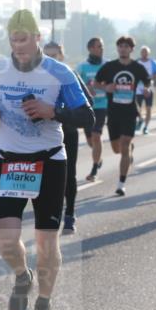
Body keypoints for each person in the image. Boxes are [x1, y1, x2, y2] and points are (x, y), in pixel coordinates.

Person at [0, 10, 92, 310]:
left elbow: (87, 117)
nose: (17, 46)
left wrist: (52, 112)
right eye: (13, 40)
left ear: (37, 38)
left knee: (46, 242)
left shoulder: (59, 72)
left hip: (49, 161)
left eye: (23, 39)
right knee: (5, 239)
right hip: (10, 161)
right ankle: (22, 275)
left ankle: (44, 305)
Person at [43, 41, 94, 233]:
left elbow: (88, 103)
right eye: (46, 56)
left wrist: (60, 111)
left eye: (54, 56)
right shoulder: (34, 78)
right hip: (43, 135)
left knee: (68, 175)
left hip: (67, 132)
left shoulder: (68, 75)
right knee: (44, 178)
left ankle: (70, 214)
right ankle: (49, 216)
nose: (50, 60)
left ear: (61, 57)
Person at [96, 35, 151, 196]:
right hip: (113, 112)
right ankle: (128, 149)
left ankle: (121, 184)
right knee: (116, 149)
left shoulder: (137, 67)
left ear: (131, 49)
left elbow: (147, 82)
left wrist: (147, 89)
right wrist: (106, 88)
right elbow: (96, 83)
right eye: (120, 46)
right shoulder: (109, 67)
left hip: (130, 112)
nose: (123, 49)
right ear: (117, 48)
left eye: (126, 46)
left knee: (125, 145)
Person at [79, 38, 107, 181]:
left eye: (102, 46)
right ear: (90, 49)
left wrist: (103, 87)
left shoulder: (107, 65)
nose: (101, 49)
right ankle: (98, 158)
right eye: (98, 46)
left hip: (102, 105)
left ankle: (94, 170)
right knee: (90, 141)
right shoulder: (82, 67)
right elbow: (76, 85)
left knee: (96, 136)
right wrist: (87, 89)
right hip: (88, 107)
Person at [135, 45, 156, 134]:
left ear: (148, 53)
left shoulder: (152, 62)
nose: (144, 54)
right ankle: (140, 119)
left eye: (146, 52)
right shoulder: (137, 62)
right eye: (143, 52)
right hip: (138, 89)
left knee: (148, 108)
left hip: (149, 88)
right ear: (140, 53)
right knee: (137, 108)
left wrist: (152, 76)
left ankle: (146, 127)